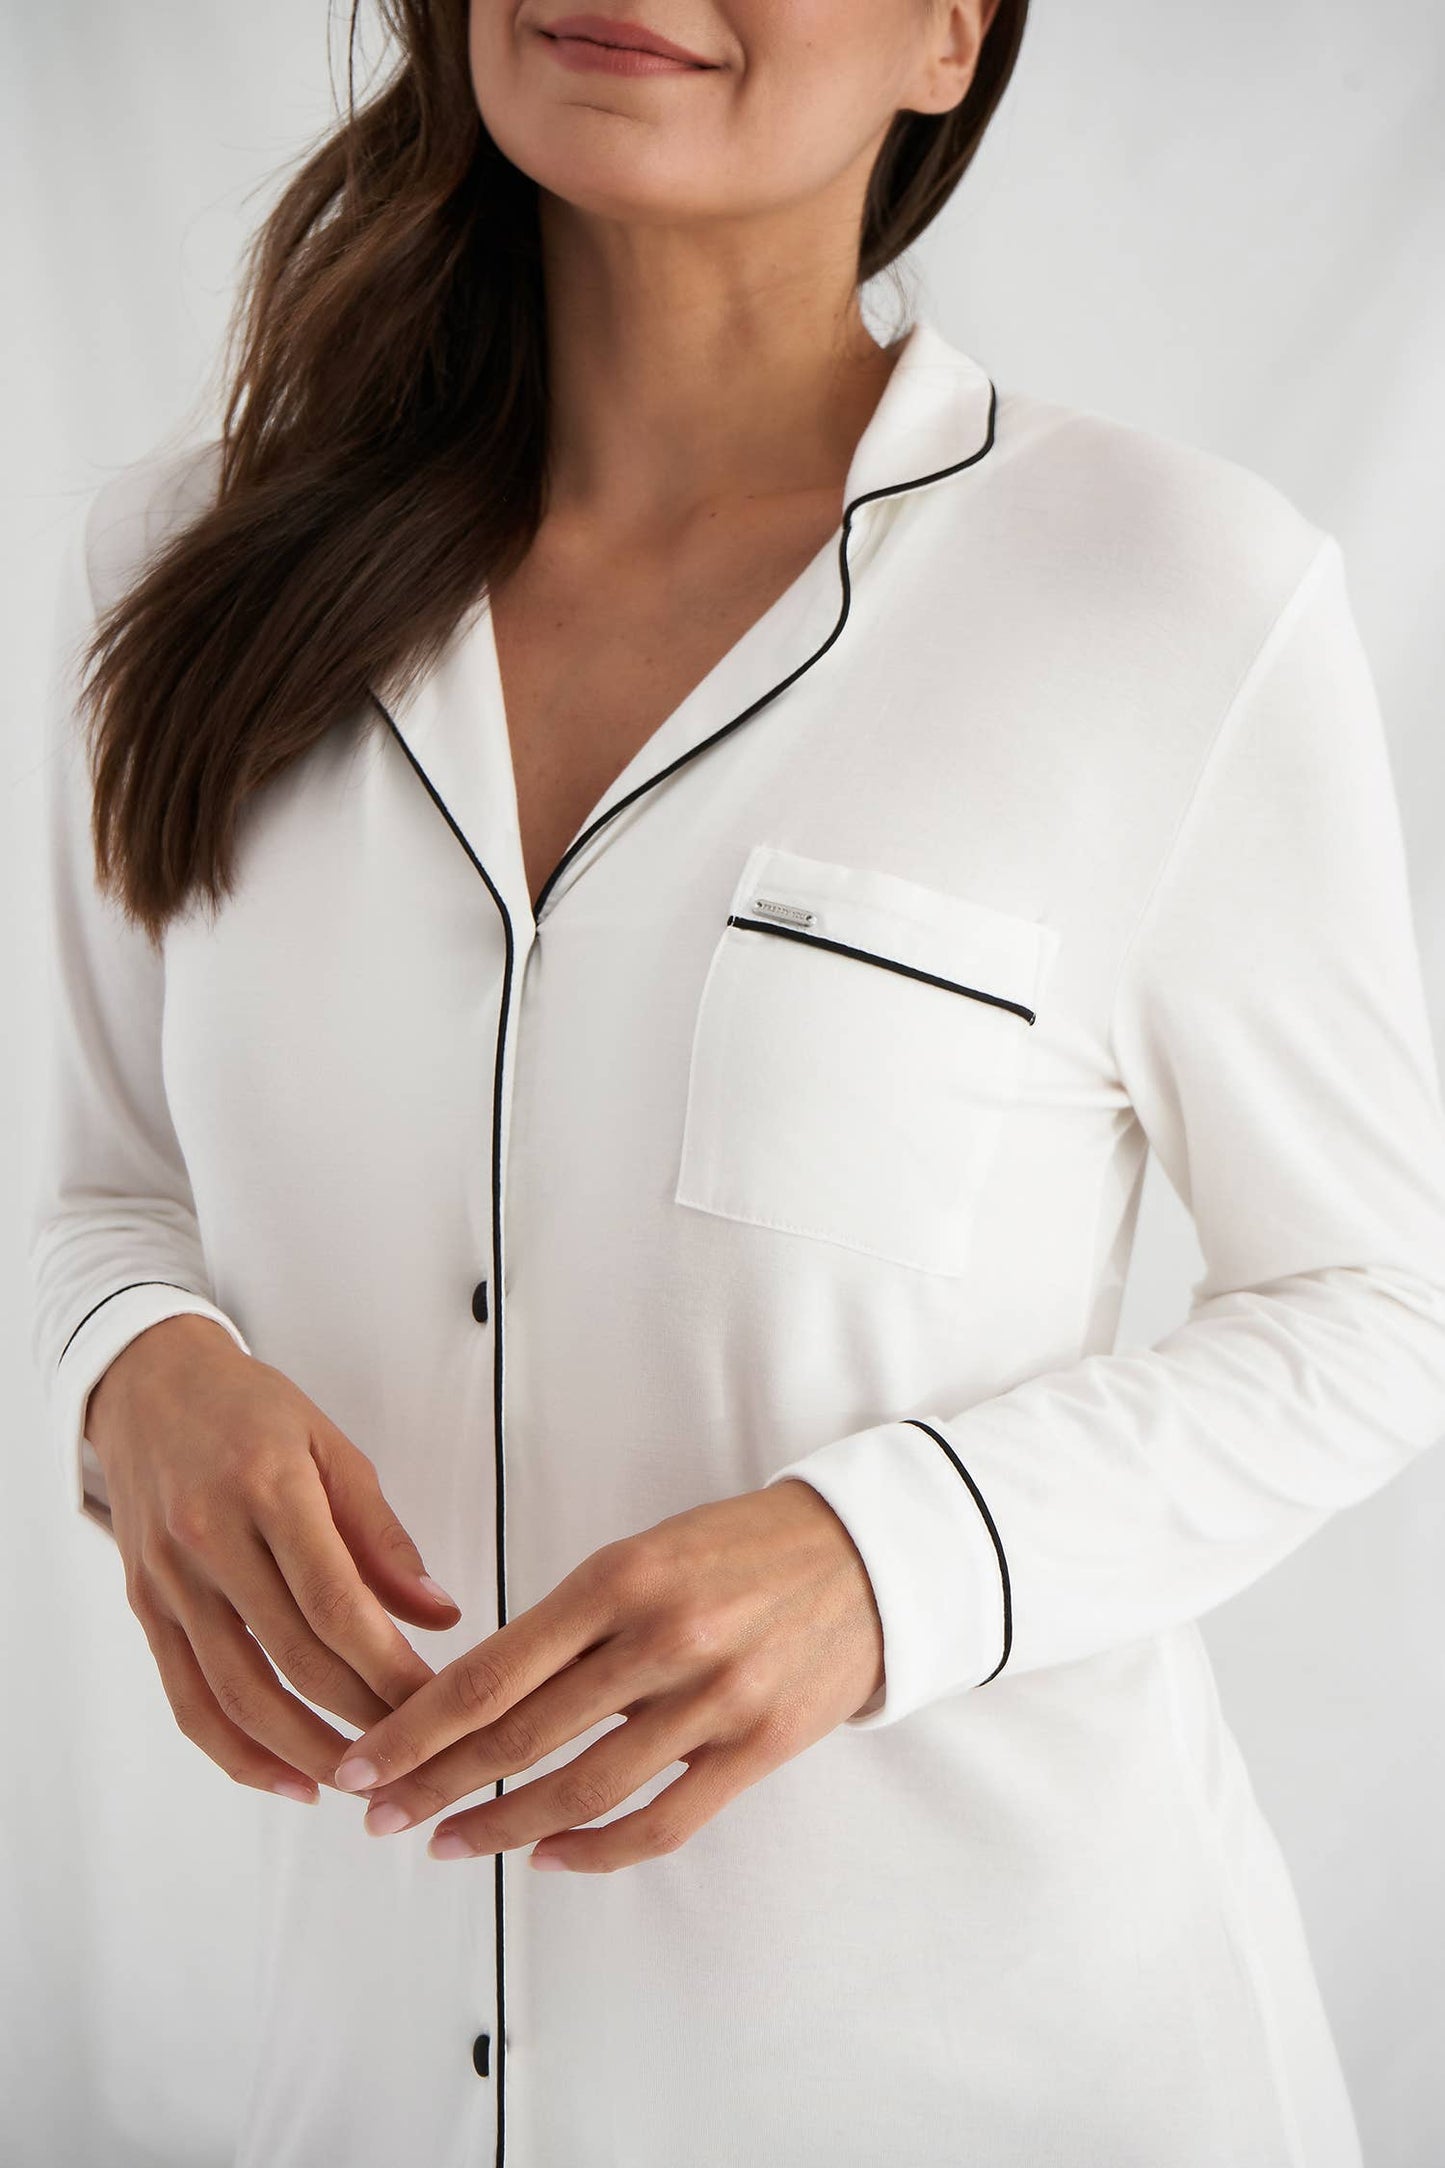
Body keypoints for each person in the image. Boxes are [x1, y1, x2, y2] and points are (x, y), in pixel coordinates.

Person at [27, 3, 1445, 2164]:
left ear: (949, 33)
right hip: (369, 2078)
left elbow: (1375, 1303)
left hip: (1012, 2087)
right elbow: (103, 1186)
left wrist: (885, 1560)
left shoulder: (1167, 593)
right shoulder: (185, 566)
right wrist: (136, 1369)